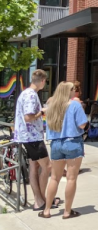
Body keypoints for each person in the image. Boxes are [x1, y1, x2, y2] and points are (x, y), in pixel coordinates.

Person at [38, 82, 88, 219]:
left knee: (54, 178)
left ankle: (47, 210)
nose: (75, 91)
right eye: (73, 89)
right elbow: (82, 124)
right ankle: (67, 212)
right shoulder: (75, 105)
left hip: (56, 143)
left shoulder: (51, 106)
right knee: (71, 178)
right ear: (68, 91)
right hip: (72, 142)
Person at [13, 70, 60, 211]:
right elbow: (28, 117)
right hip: (32, 137)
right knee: (48, 167)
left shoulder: (26, 93)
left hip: (28, 136)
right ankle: (41, 200)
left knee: (34, 167)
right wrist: (43, 111)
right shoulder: (31, 95)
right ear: (42, 81)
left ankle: (39, 200)